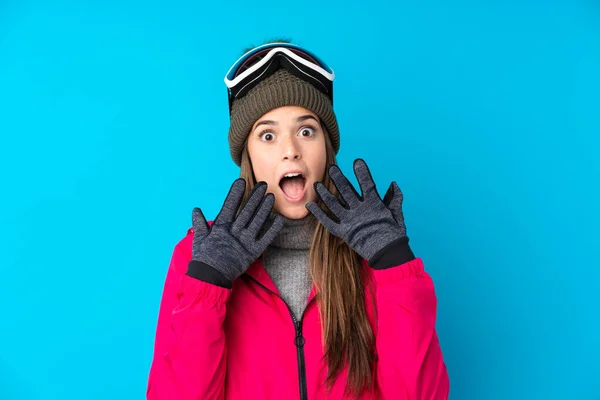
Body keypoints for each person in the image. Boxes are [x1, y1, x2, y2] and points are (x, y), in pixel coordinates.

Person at [146, 41, 450, 400]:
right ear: (249, 155)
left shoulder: (372, 253)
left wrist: (394, 264)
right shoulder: (198, 256)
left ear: (326, 148)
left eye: (306, 131)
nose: (290, 149)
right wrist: (208, 284)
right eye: (268, 135)